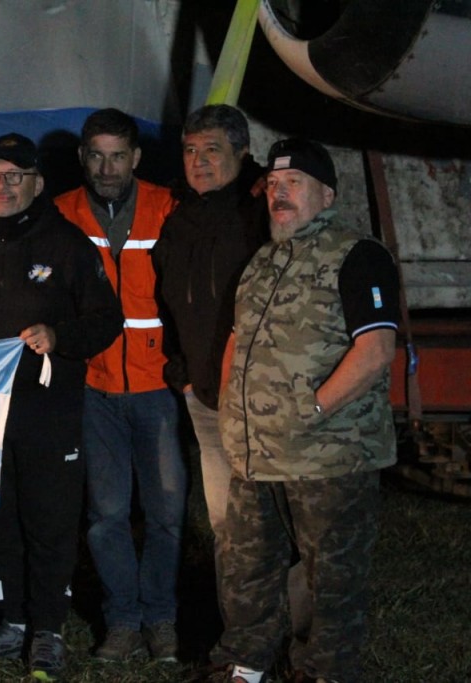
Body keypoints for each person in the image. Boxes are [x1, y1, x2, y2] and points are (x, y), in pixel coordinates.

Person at [207, 139, 399, 683]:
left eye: (293, 185)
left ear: (327, 194)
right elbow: (237, 340)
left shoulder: (357, 254)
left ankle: (325, 672)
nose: (279, 194)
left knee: (331, 578)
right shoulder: (264, 260)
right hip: (254, 453)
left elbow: (377, 349)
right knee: (247, 567)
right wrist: (229, 409)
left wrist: (313, 407)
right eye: (272, 185)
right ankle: (245, 664)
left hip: (329, 457)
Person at [0, 133, 122, 681]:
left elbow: (106, 320)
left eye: (14, 176)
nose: (1, 186)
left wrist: (59, 333)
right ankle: (12, 621)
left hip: (47, 409)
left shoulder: (68, 245)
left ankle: (48, 628)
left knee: (49, 518)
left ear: (38, 183)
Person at [47, 108, 187, 663]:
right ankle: (123, 622)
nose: (107, 167)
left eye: (118, 155)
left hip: (157, 390)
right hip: (94, 388)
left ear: (136, 158)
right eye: (97, 155)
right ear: (82, 157)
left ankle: (163, 621)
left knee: (168, 515)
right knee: (106, 516)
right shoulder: (59, 212)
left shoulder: (167, 206)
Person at [151, 104, 268, 614]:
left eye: (212, 150)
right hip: (205, 399)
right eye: (191, 151)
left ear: (242, 153)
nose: (199, 161)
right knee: (225, 524)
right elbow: (168, 301)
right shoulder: (180, 218)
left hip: (262, 403)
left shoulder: (264, 209)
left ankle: (292, 641)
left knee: (271, 524)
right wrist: (180, 371)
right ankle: (239, 640)